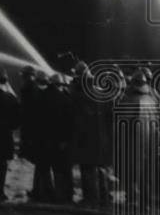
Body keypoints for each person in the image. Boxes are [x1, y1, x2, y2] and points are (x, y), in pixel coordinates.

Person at [116, 69, 160, 215]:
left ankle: (132, 200)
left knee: (131, 171)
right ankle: (146, 201)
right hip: (150, 142)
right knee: (146, 173)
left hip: (132, 142)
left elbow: (121, 124)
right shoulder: (152, 99)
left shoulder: (128, 100)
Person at [70, 62, 109, 207]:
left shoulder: (81, 94)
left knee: (87, 169)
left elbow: (78, 117)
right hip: (102, 137)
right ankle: (104, 198)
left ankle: (91, 199)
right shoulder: (101, 91)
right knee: (101, 168)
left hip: (87, 138)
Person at [0, 68, 21, 202]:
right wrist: (10, 127)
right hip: (5, 135)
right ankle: (0, 192)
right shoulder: (11, 98)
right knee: (2, 164)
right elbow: (18, 119)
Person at [26, 70, 55, 202]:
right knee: (43, 165)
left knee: (41, 165)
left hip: (40, 137)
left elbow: (32, 118)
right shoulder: (50, 95)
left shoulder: (37, 95)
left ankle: (43, 191)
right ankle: (43, 190)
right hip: (49, 137)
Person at [47, 72, 76, 204]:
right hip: (67, 139)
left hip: (55, 139)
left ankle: (59, 195)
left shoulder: (50, 98)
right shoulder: (67, 98)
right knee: (67, 168)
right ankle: (68, 194)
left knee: (58, 168)